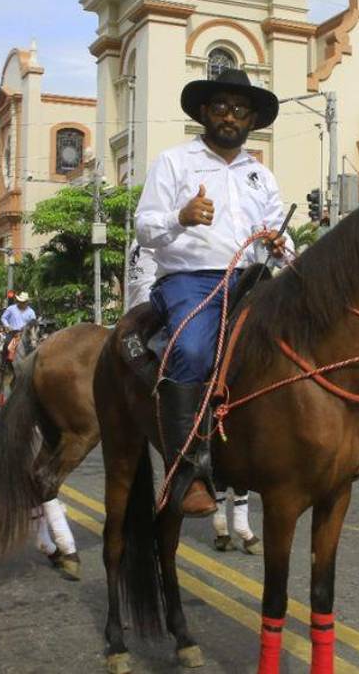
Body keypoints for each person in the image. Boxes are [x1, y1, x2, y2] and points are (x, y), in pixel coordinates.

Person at [135, 68, 291, 516]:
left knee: (300, 343)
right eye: (220, 107)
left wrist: (280, 245)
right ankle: (186, 472)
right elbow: (145, 228)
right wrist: (181, 217)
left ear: (252, 120)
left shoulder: (261, 175)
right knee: (194, 348)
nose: (230, 117)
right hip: (190, 280)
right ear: (204, 112)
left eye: (240, 110)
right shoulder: (174, 162)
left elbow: (280, 236)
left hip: (252, 278)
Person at [0, 293, 36, 364]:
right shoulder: (11, 309)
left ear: (27, 302)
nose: (22, 303)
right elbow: (3, 318)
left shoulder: (31, 312)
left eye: (24, 302)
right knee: (7, 345)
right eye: (20, 301)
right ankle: (4, 364)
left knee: (34, 346)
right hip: (13, 333)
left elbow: (34, 324)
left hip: (26, 333)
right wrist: (7, 326)